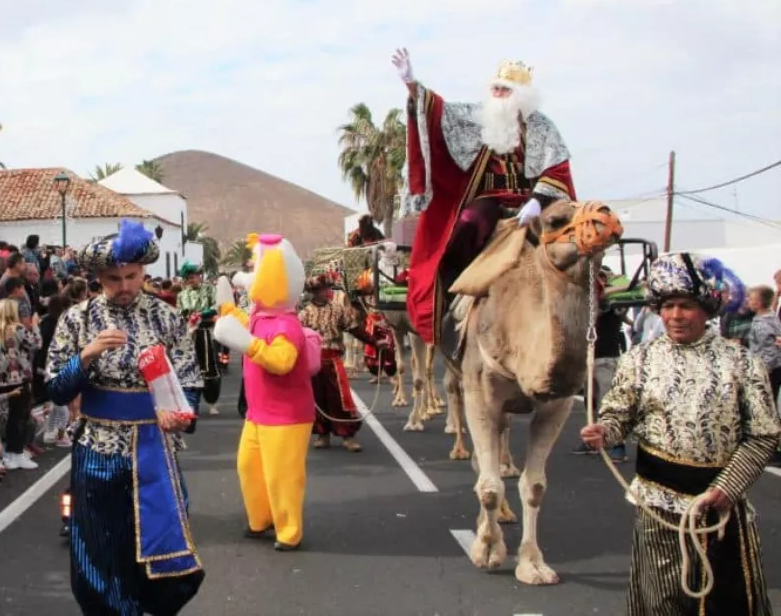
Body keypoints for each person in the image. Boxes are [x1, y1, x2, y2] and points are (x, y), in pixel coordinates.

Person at [580, 253, 780, 615]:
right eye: (667, 306)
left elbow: (763, 436)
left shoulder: (742, 363)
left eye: (685, 306)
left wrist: (727, 488)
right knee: (662, 603)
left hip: (721, 511)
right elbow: (619, 413)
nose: (675, 315)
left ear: (706, 309)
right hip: (657, 507)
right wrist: (605, 431)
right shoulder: (639, 359)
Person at [45, 219, 204, 616]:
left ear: (143, 272)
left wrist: (182, 415)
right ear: (99, 278)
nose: (125, 286)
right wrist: (87, 355)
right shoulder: (77, 319)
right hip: (97, 446)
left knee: (163, 543)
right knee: (98, 545)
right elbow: (56, 389)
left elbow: (189, 381)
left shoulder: (166, 317)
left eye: (132, 276)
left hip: (155, 445)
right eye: (114, 279)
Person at [390, 48, 576, 346]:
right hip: (490, 198)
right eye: (496, 88)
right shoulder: (478, 117)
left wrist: (538, 200)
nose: (498, 94)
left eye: (505, 89)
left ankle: (576, 303)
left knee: (570, 240)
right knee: (467, 223)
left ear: (521, 96)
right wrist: (412, 84)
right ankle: (454, 293)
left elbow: (558, 169)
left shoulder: (541, 126)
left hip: (533, 201)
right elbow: (438, 112)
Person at [212, 234, 315, 552]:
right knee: (249, 467)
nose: (246, 276)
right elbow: (246, 324)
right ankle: (261, 519)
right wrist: (228, 310)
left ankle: (289, 531)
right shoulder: (262, 316)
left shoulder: (287, 324)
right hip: (258, 413)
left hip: (286, 416)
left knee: (282, 476)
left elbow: (282, 361)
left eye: (255, 269)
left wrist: (247, 344)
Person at [299, 275, 378, 452]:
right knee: (318, 398)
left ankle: (347, 436)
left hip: (333, 360)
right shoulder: (304, 314)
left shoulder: (338, 310)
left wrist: (374, 342)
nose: (327, 292)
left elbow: (355, 329)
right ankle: (322, 434)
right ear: (314, 292)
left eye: (327, 288)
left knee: (340, 398)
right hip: (313, 362)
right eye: (323, 289)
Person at [176, 262, 223, 415]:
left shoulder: (209, 289)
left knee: (210, 369)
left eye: (193, 277)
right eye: (188, 278)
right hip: (189, 334)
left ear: (199, 276)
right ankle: (189, 403)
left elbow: (216, 307)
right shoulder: (182, 294)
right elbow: (178, 312)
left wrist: (202, 314)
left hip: (206, 332)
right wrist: (185, 315)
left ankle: (212, 402)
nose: (191, 280)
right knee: (188, 368)